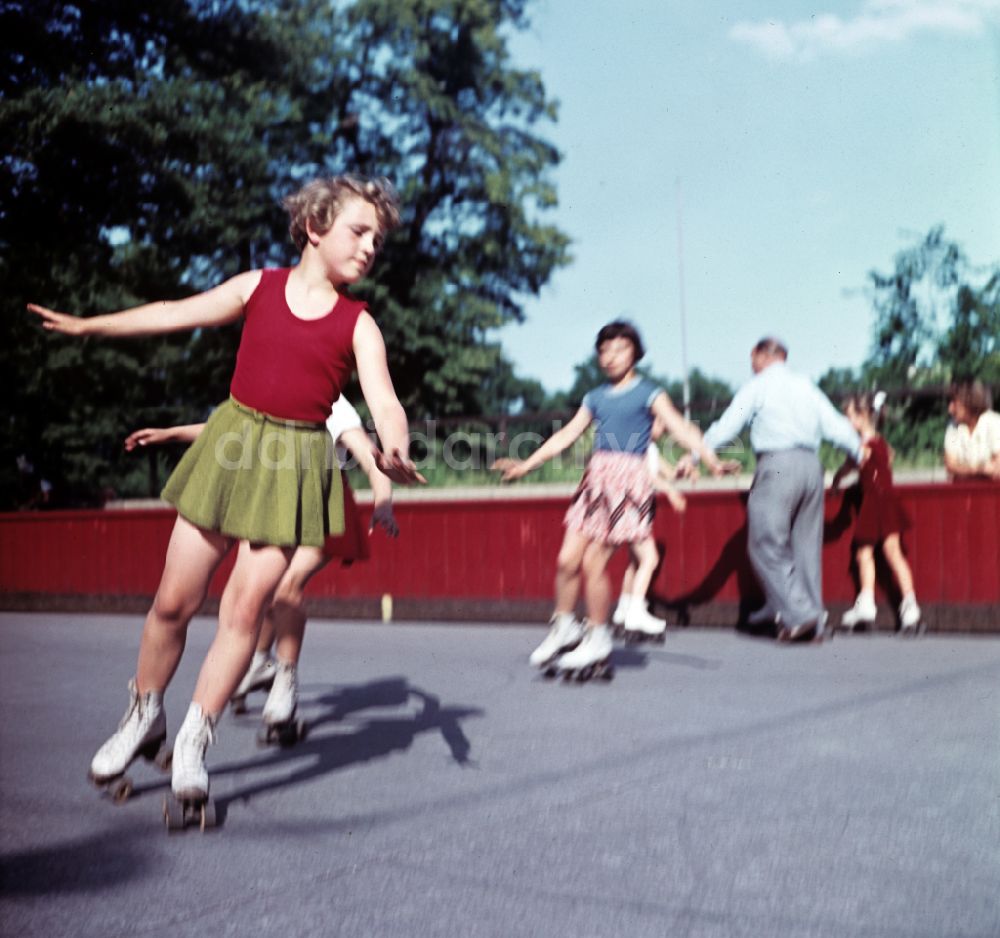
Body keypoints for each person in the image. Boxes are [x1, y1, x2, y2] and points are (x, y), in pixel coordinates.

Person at [29, 174, 423, 807]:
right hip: (232, 447)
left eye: (378, 237)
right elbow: (170, 313)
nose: (370, 246)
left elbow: (384, 399)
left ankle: (194, 738)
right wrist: (88, 328)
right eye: (358, 231)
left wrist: (394, 445)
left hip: (292, 465)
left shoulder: (359, 323)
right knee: (172, 604)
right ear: (315, 228)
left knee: (244, 612)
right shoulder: (257, 288)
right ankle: (143, 714)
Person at [123, 394, 399, 733]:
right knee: (264, 592)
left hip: (323, 505)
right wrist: (171, 433)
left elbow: (369, 457)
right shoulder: (272, 385)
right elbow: (227, 428)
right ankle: (260, 662)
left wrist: (383, 501)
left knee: (286, 587)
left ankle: (284, 678)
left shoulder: (331, 402)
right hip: (279, 500)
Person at [493, 320, 725, 675]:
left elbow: (679, 427)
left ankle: (599, 637)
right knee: (567, 561)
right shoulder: (595, 397)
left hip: (628, 483)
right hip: (596, 481)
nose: (611, 357)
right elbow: (567, 435)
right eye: (605, 351)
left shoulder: (649, 393)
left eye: (620, 349)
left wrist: (709, 459)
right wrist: (527, 465)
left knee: (594, 564)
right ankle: (565, 626)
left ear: (635, 354)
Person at [678, 337, 862, 643]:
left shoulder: (758, 385)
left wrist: (696, 453)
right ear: (784, 357)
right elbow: (837, 427)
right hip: (811, 466)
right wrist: (859, 453)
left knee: (764, 542)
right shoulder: (806, 385)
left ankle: (801, 614)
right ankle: (811, 621)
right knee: (805, 548)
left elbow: (728, 426)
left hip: (777, 463)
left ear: (758, 355)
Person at [831, 392, 921, 633]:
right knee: (889, 553)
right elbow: (876, 469)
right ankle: (907, 605)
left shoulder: (864, 446)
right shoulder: (881, 443)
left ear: (861, 417)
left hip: (875, 503)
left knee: (866, 554)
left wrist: (837, 481)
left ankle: (872, 603)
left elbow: (853, 463)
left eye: (848, 416)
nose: (845, 421)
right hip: (886, 500)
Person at [611, 427, 689, 638]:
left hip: (642, 506)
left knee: (635, 562)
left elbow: (667, 473)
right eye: (660, 423)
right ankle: (635, 613)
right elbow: (647, 475)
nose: (664, 429)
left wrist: (681, 471)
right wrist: (671, 492)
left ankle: (623, 612)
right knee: (650, 559)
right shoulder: (638, 445)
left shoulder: (651, 447)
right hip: (633, 506)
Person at [942, 380, 1000, 481]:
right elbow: (950, 466)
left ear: (969, 401)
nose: (950, 409)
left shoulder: (994, 422)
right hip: (963, 491)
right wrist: (979, 469)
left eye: (954, 402)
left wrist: (962, 469)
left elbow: (997, 470)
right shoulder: (953, 425)